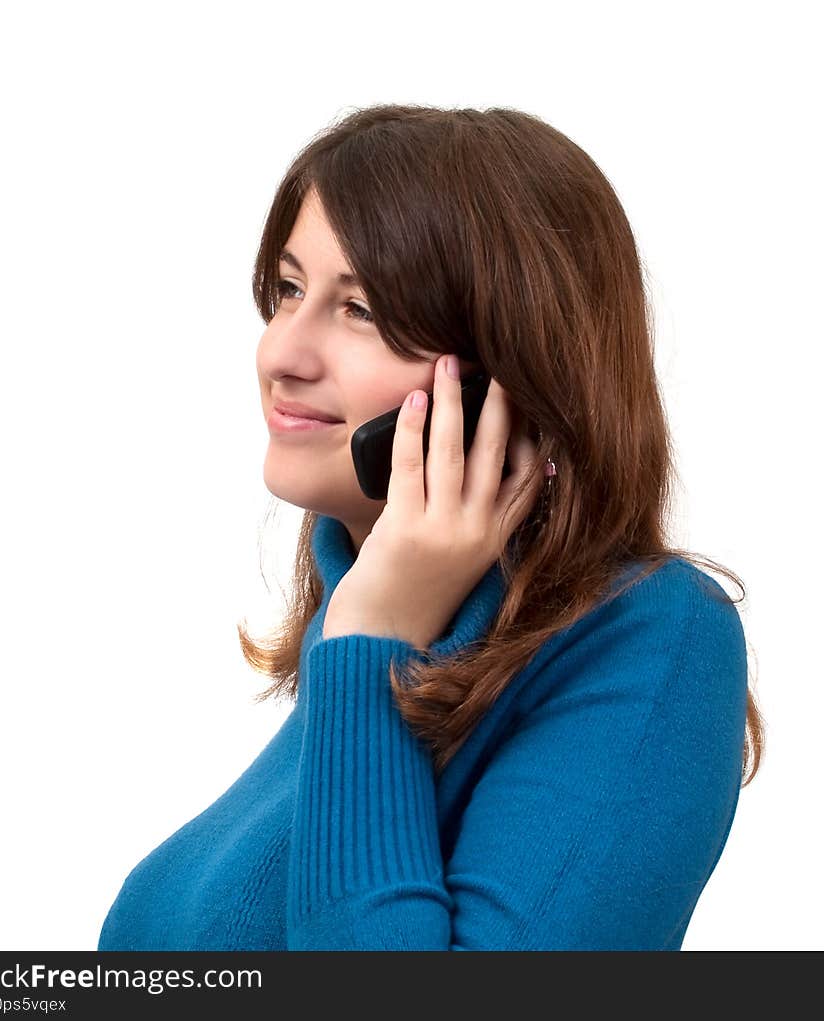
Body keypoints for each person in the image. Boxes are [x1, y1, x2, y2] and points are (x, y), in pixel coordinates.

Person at [97, 103, 764, 951]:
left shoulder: (656, 636)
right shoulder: (363, 640)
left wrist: (373, 639)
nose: (283, 353)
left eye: (362, 309)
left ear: (509, 384)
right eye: (290, 290)